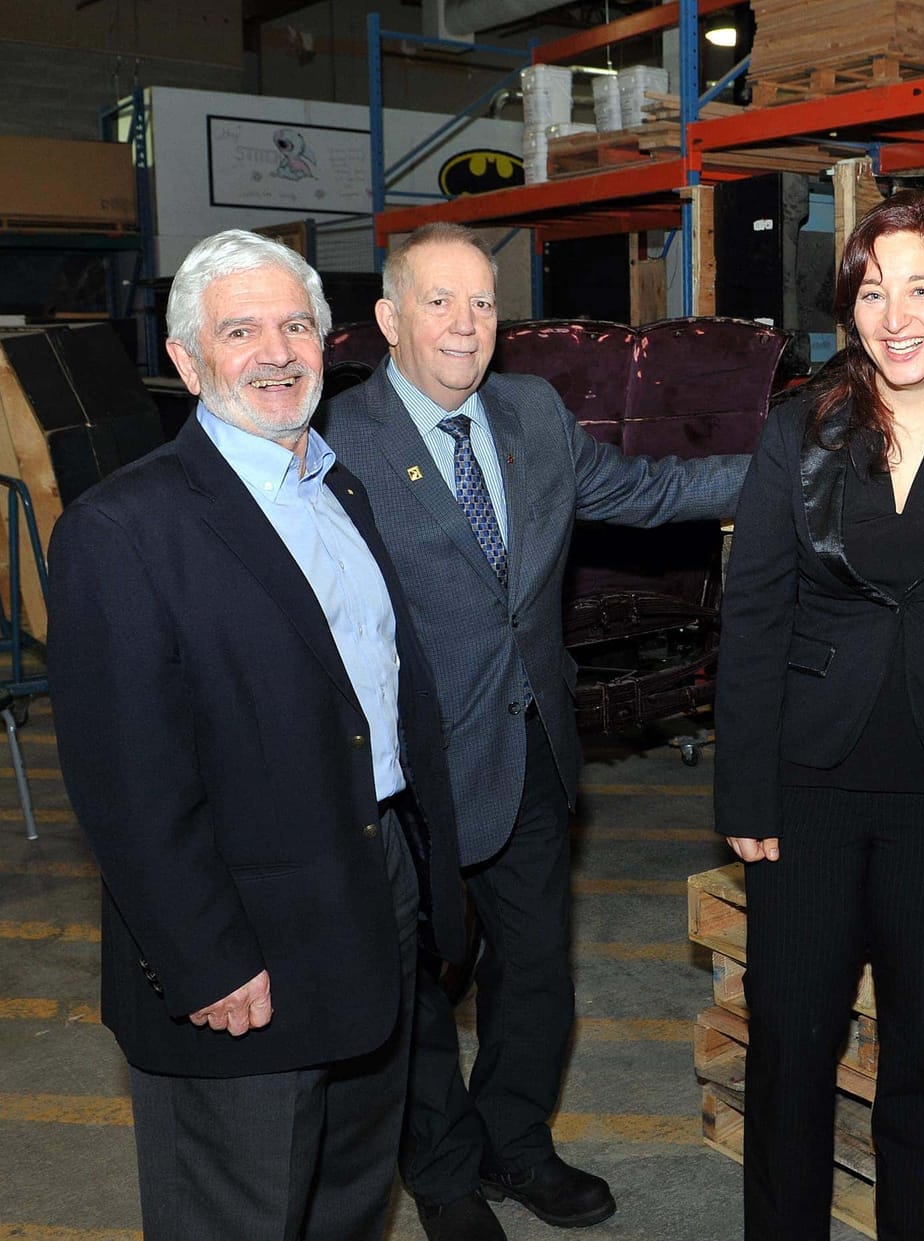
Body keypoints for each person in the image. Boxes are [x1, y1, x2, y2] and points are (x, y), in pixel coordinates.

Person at [323, 222, 750, 1241]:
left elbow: (648, 493)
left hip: (529, 749)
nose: (466, 324)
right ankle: (443, 1169)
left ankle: (517, 1143)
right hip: (408, 768)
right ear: (389, 319)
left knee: (534, 970)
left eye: (480, 303)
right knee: (416, 987)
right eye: (439, 301)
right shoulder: (340, 439)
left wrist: (801, 464)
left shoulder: (529, 412)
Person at [48, 228, 465, 1240]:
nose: (275, 351)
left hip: (373, 903)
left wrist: (427, 881)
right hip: (245, 947)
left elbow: (377, 700)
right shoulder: (123, 529)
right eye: (239, 330)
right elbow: (127, 781)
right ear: (187, 361)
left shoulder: (339, 487)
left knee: (349, 1194)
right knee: (236, 1211)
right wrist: (206, 960)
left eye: (294, 325)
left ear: (328, 342)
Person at [715, 190, 924, 1238]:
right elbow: (752, 612)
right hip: (806, 786)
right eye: (871, 291)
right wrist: (743, 787)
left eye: (921, 289)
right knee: (792, 1045)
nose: (894, 316)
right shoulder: (800, 429)